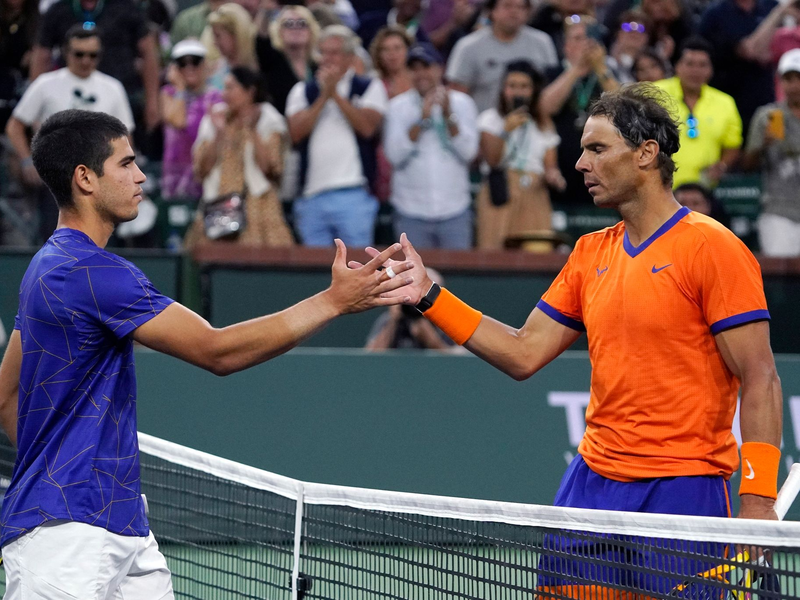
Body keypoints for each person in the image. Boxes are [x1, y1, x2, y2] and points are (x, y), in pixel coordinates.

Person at [370, 85, 781, 595]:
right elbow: (523, 352)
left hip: (684, 489)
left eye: (597, 149)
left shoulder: (713, 248)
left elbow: (759, 376)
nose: (580, 162)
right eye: (582, 149)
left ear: (647, 153)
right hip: (591, 486)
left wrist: (759, 499)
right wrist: (430, 295)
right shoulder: (589, 253)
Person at [0, 108, 414, 599]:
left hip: (119, 523)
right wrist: (332, 301)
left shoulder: (44, 269)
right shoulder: (97, 274)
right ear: (85, 179)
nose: (140, 176)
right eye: (127, 164)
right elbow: (217, 351)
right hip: (68, 539)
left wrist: (54, 472)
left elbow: (6, 394)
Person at [5, 24, 135, 242]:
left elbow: (126, 138)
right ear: (66, 53)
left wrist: (126, 174)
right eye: (79, 54)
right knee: (53, 239)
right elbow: (14, 126)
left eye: (92, 55)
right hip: (57, 179)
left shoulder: (113, 88)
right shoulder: (46, 84)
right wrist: (27, 161)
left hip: (100, 179)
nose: (86, 60)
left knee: (100, 242)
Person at [286, 25, 388, 247]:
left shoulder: (369, 86)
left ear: (350, 57)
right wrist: (324, 96)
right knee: (316, 271)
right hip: (312, 196)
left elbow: (367, 128)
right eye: (323, 52)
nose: (327, 59)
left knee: (359, 267)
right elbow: (296, 133)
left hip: (354, 194)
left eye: (334, 53)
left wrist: (336, 96)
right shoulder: (302, 91)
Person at [384, 43, 479, 249]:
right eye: (414, 68)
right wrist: (422, 120)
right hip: (411, 210)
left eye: (426, 67)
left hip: (454, 209)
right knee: (412, 279)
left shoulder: (462, 104)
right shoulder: (397, 107)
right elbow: (394, 155)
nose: (420, 74)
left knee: (457, 277)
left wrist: (449, 117)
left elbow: (469, 152)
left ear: (439, 69)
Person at [188, 67, 294, 247]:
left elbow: (270, 169)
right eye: (224, 88)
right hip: (220, 207)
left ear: (250, 91)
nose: (225, 94)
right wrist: (219, 133)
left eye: (231, 88)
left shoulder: (269, 120)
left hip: (259, 208)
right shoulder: (215, 118)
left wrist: (253, 130)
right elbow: (202, 170)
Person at [29, 0, 160, 137]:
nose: (86, 60)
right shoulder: (59, 9)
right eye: (80, 54)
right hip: (66, 94)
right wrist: (36, 101)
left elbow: (148, 53)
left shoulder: (126, 8)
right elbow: (41, 55)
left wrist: (152, 101)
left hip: (121, 90)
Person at [476, 61, 565, 249]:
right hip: (500, 194)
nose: (518, 92)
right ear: (503, 89)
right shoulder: (490, 119)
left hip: (534, 193)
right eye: (512, 86)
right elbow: (492, 160)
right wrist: (505, 131)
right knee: (496, 254)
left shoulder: (542, 122)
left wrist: (554, 176)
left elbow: (550, 165)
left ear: (533, 90)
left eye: (524, 87)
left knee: (536, 254)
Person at [540, 15, 619, 206]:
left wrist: (599, 68)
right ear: (566, 46)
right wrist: (576, 69)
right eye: (578, 39)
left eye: (590, 39)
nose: (585, 45)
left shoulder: (606, 74)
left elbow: (622, 107)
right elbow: (545, 107)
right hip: (560, 165)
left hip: (602, 167)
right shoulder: (553, 72)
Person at [653, 37, 742, 188]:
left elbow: (733, 145)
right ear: (677, 66)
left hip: (704, 191)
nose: (695, 71)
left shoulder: (725, 102)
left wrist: (723, 165)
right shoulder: (655, 94)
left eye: (702, 65)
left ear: (711, 69)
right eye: (689, 64)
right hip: (660, 188)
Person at [445, 0, 559, 113]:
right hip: (483, 124)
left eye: (521, 7)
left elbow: (552, 85)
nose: (514, 11)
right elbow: (457, 96)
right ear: (491, 10)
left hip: (532, 124)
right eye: (507, 6)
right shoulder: (468, 46)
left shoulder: (542, 42)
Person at [742, 48, 800, 257]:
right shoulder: (767, 116)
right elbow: (747, 166)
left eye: (799, 78)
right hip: (779, 210)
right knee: (780, 281)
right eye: (789, 79)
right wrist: (763, 145)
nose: (795, 86)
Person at [698, 0, 779, 133]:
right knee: (731, 142)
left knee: (772, 142)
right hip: (728, 96)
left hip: (767, 95)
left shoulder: (770, 5)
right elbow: (749, 50)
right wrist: (780, 12)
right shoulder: (714, 13)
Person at [161, 39, 223, 201]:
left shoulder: (216, 97)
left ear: (204, 65)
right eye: (182, 63)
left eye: (195, 62)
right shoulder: (168, 94)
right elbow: (179, 122)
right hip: (176, 173)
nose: (189, 68)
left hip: (207, 171)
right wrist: (180, 88)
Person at [370, 25, 414, 203]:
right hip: (384, 153)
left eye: (397, 48)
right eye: (385, 49)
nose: (392, 54)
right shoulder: (373, 85)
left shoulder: (422, 81)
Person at [366, 267, 455, 350]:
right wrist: (393, 322)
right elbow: (371, 356)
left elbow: (457, 360)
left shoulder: (445, 322)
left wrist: (431, 340)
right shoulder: (389, 319)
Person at [255, 4, 321, 115]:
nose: (296, 28)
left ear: (311, 30)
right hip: (280, 125)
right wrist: (266, 9)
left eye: (302, 23)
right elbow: (261, 38)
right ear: (279, 30)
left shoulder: (319, 65)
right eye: (289, 24)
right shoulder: (271, 60)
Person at [205, 3, 258, 91]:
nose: (214, 43)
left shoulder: (257, 69)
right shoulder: (214, 70)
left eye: (218, 36)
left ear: (236, 35)